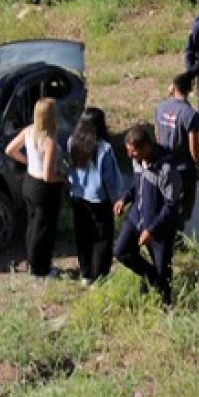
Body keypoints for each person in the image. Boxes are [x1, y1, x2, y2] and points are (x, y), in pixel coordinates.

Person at [113, 125, 180, 306]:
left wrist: (151, 230)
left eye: (132, 152)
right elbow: (138, 185)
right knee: (121, 251)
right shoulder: (138, 160)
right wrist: (124, 199)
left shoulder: (166, 168)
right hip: (137, 217)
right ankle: (151, 277)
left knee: (163, 273)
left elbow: (171, 205)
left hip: (159, 227)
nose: (130, 156)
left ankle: (166, 307)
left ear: (145, 147)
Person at [4, 97, 65, 279]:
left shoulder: (29, 131)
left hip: (28, 182)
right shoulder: (49, 139)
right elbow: (48, 175)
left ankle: (33, 264)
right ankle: (42, 269)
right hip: (44, 189)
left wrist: (29, 161)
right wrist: (63, 179)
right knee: (44, 229)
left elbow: (10, 150)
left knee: (32, 226)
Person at [66, 107, 122, 286]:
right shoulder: (104, 148)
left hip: (78, 196)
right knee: (102, 239)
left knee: (83, 235)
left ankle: (85, 273)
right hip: (99, 199)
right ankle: (100, 277)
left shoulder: (71, 142)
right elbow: (110, 178)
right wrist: (117, 199)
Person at [155, 74, 199, 235]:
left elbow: (157, 135)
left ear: (173, 87)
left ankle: (165, 233)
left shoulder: (160, 107)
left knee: (166, 201)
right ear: (191, 88)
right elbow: (193, 146)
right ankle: (176, 236)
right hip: (183, 168)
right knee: (183, 206)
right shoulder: (190, 114)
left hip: (163, 163)